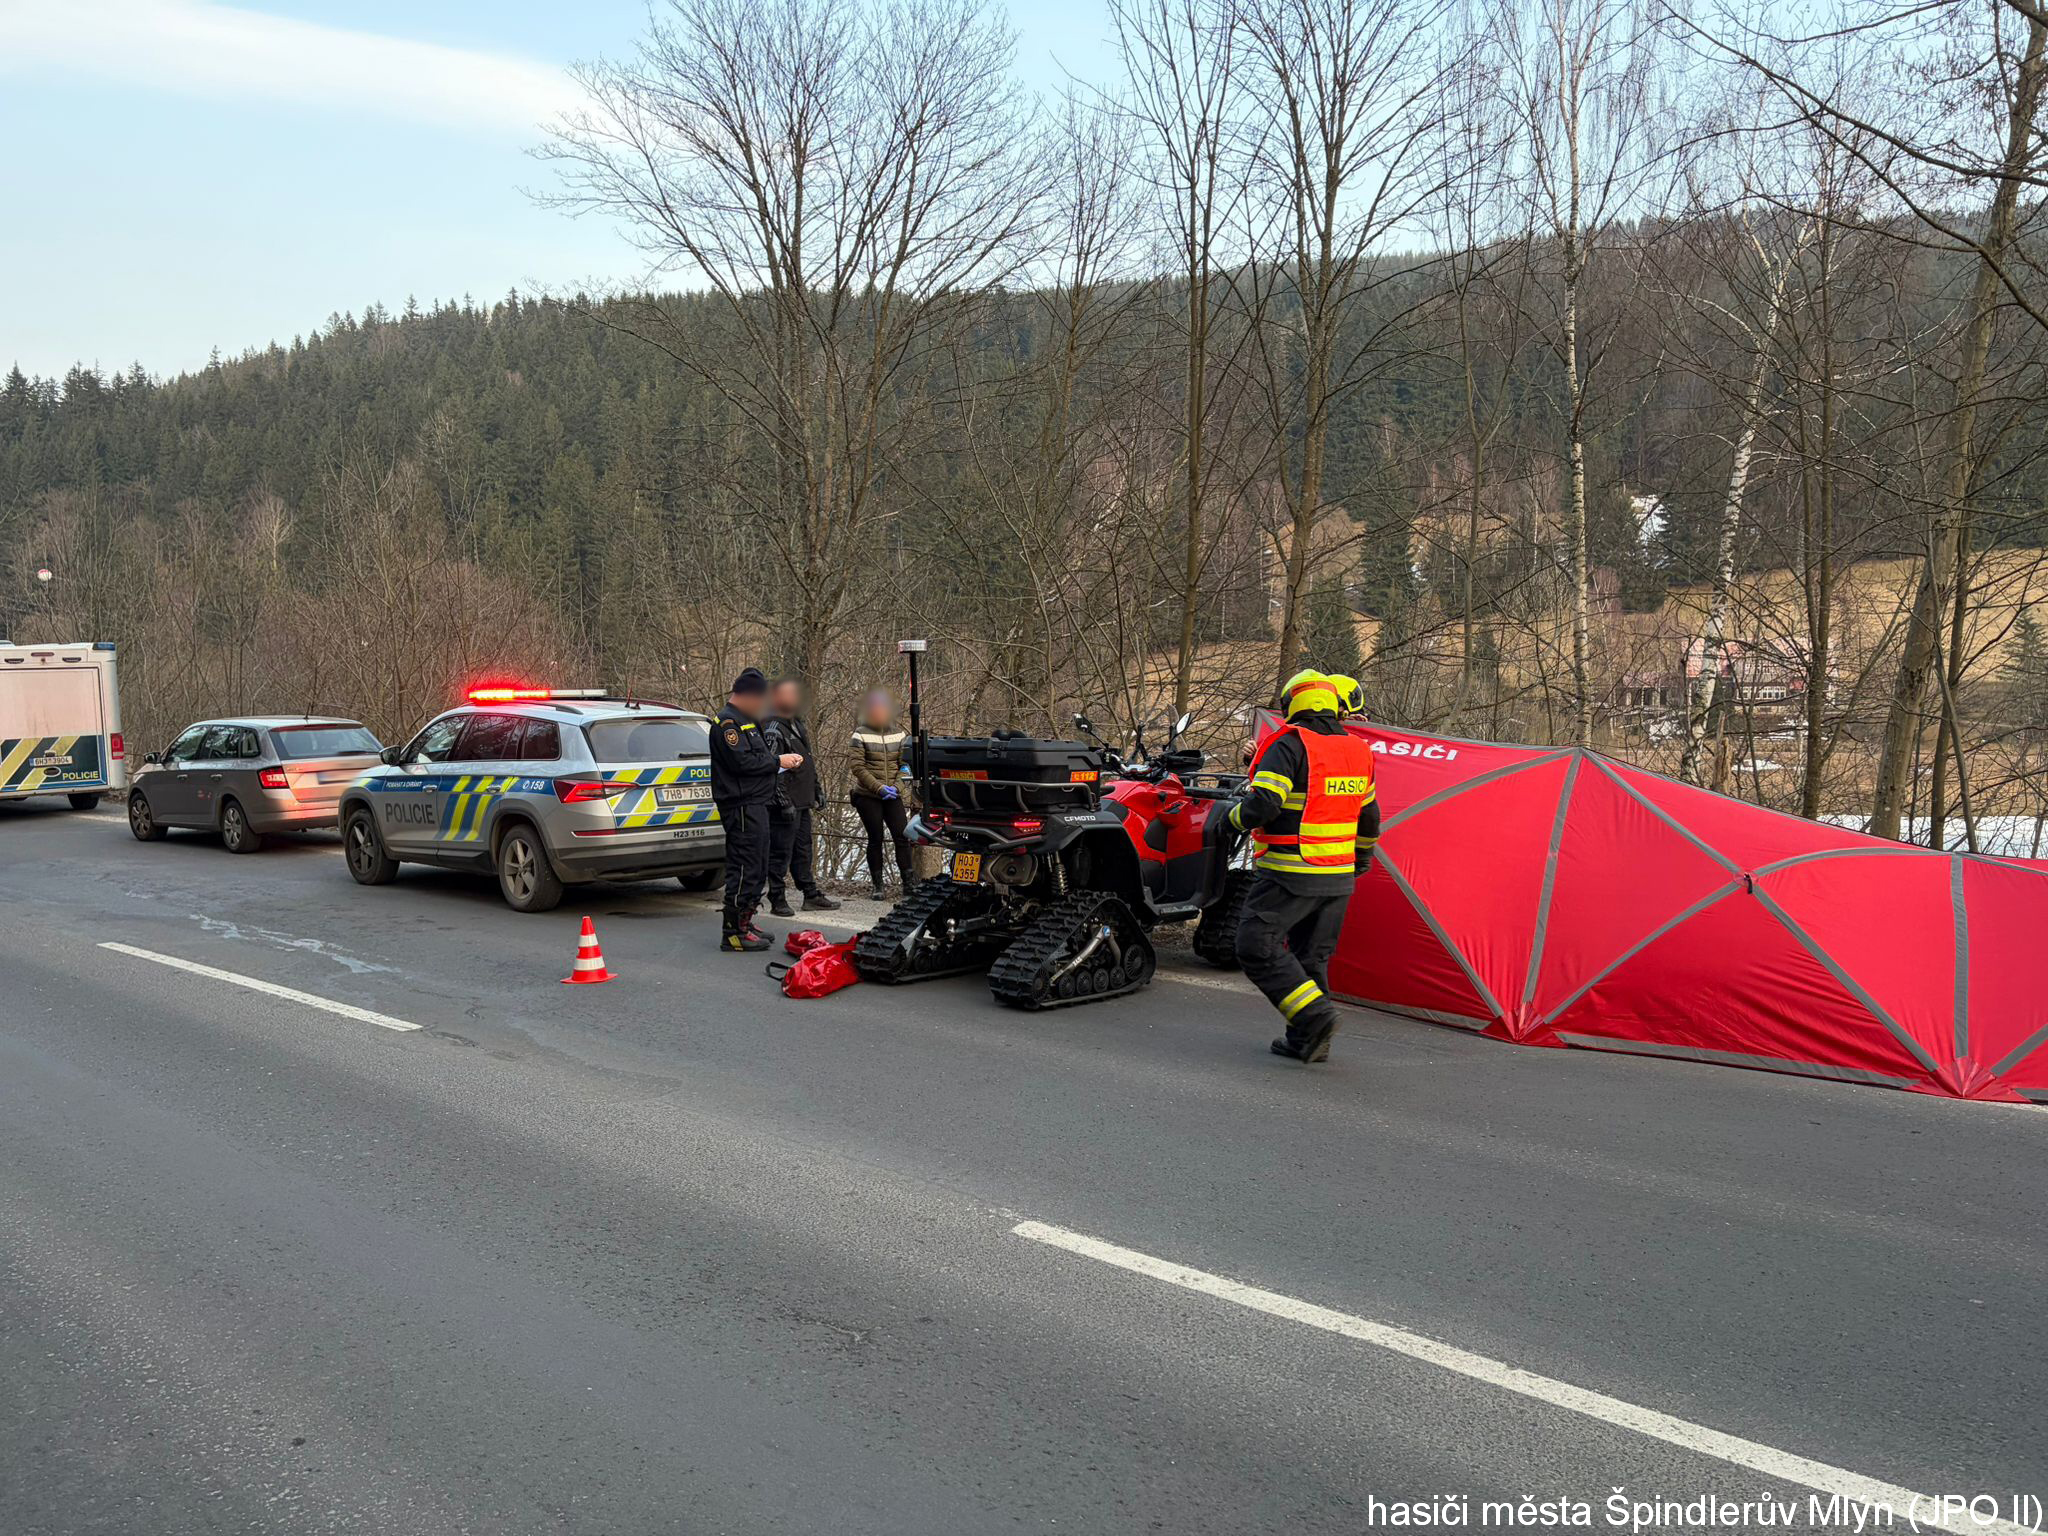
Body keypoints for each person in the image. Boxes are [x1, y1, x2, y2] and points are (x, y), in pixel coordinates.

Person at [1228, 668, 1381, 1064]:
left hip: (1289, 871)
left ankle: (1314, 1016)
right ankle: (1307, 1041)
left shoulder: (1290, 743)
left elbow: (1263, 805)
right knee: (1311, 957)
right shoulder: (1357, 750)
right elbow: (1370, 819)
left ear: (1291, 703)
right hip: (1338, 876)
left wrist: (1229, 820)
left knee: (1254, 945)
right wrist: (1360, 860)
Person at [708, 667, 802, 952]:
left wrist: (776, 761)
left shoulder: (748, 720)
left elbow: (758, 755)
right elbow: (742, 763)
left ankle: (746, 919)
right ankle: (733, 932)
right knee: (745, 866)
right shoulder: (727, 723)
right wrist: (778, 762)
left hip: (757, 802)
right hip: (741, 804)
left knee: (758, 865)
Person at [762, 678, 840, 917]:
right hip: (785, 804)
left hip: (803, 800)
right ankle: (777, 896)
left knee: (803, 850)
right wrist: (783, 802)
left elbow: (807, 760)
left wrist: (816, 789)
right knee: (780, 851)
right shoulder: (773, 728)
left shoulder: (796, 724)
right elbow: (773, 769)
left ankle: (810, 893)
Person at [849, 690, 915, 901]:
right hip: (868, 794)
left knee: (902, 836)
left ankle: (908, 884)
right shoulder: (860, 734)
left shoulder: (899, 734)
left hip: (893, 793)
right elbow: (858, 767)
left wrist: (897, 787)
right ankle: (878, 886)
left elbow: (905, 764)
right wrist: (878, 788)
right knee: (875, 838)